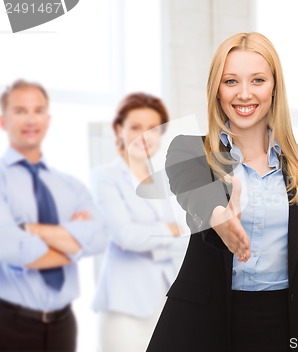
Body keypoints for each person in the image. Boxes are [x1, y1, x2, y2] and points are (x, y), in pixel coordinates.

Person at [147, 32, 298, 352]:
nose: (244, 94)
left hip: (289, 326)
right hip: (203, 326)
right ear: (217, 90)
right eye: (230, 81)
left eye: (257, 80)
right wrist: (218, 217)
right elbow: (192, 190)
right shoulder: (190, 150)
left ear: (274, 87)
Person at [0, 79, 106, 351]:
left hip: (63, 325)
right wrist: (74, 244)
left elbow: (99, 237)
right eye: (20, 110)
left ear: (48, 119)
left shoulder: (69, 185)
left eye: (38, 110)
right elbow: (10, 249)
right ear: (3, 120)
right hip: (9, 324)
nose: (30, 119)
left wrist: (33, 230)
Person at [91, 92, 189, 352]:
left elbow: (189, 236)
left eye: (153, 129)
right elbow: (126, 236)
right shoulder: (105, 177)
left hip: (167, 301)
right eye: (135, 127)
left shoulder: (166, 181)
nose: (144, 136)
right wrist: (170, 232)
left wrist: (157, 238)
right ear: (118, 129)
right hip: (126, 308)